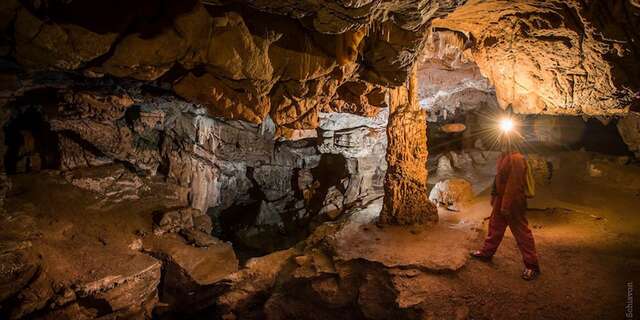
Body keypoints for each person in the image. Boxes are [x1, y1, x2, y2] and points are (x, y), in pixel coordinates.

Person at [470, 135, 540, 281]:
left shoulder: (517, 159)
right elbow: (498, 179)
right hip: (502, 199)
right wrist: (494, 195)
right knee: (495, 226)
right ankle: (487, 253)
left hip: (514, 201)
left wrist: (506, 205)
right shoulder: (504, 157)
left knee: (521, 233)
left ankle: (532, 266)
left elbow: (514, 184)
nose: (501, 142)